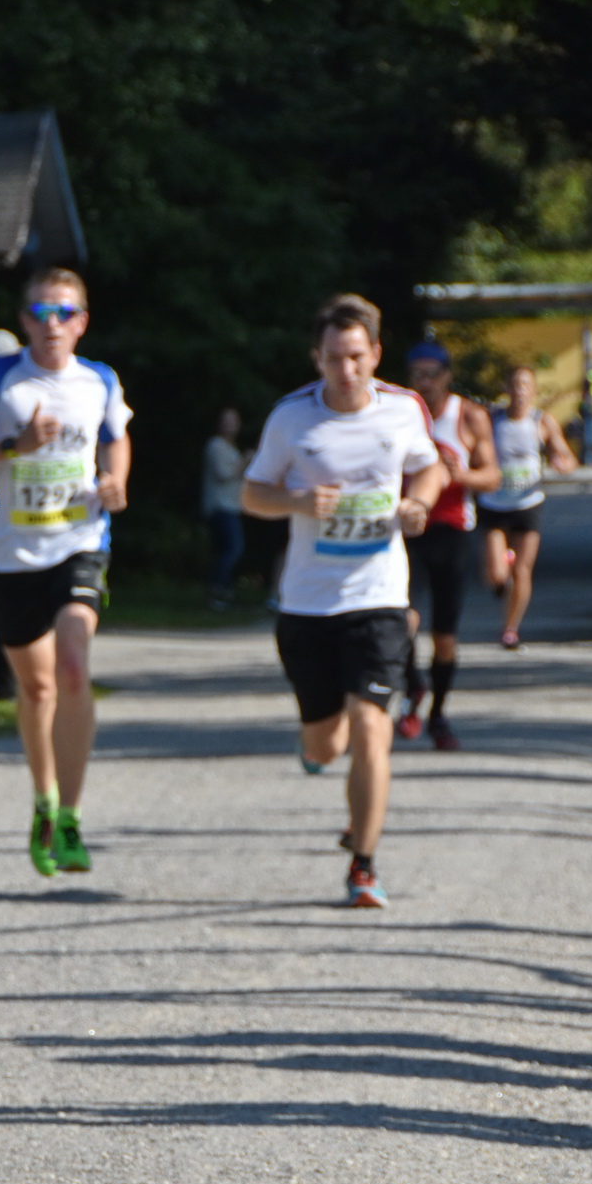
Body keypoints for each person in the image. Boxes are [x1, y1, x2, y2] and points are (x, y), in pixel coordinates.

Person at [242, 293, 444, 908]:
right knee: (325, 743)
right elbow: (253, 494)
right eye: (334, 358)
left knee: (371, 727)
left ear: (375, 354)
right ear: (318, 358)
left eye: (356, 356)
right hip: (307, 605)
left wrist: (421, 503)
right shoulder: (291, 418)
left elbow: (430, 468)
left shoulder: (403, 410)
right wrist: (297, 502)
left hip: (380, 598)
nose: (346, 369)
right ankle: (319, 757)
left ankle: (363, 863)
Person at [0, 268, 132, 876]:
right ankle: (42, 801)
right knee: (35, 689)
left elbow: (115, 438)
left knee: (73, 663)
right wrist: (17, 446)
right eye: (40, 313)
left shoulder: (100, 380)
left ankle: (71, 813)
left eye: (64, 313)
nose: (52, 325)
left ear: (82, 321)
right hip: (13, 554)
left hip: (80, 540)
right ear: (24, 320)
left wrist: (117, 478)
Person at [399, 342, 500, 750]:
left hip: (452, 531)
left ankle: (438, 714)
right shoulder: (399, 413)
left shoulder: (469, 415)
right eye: (417, 373)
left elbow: (492, 476)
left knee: (444, 636)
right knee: (402, 620)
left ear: (447, 375)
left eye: (432, 373)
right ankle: (413, 687)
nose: (425, 382)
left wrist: (462, 477)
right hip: (407, 528)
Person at [480, 365, 577, 649]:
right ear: (505, 389)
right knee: (496, 575)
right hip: (494, 503)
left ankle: (510, 629)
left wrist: (562, 464)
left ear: (533, 390)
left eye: (526, 385)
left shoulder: (542, 421)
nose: (520, 391)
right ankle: (502, 574)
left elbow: (567, 458)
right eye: (515, 385)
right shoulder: (492, 419)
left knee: (522, 571)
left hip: (528, 503)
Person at [201, 407, 249, 607]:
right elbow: (223, 474)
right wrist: (245, 462)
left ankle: (224, 593)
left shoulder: (230, 447)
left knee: (227, 550)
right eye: (227, 420)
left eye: (234, 421)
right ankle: (217, 591)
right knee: (232, 550)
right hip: (220, 506)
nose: (231, 425)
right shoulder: (216, 445)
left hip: (232, 507)